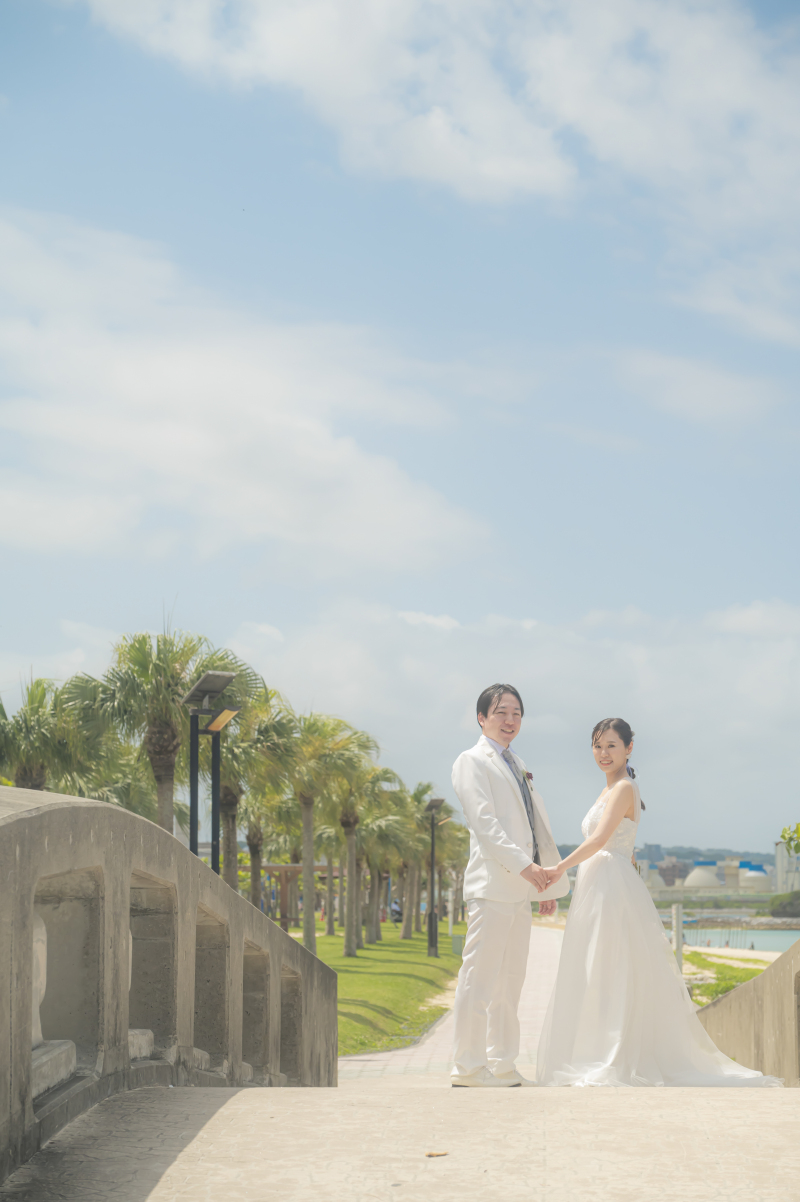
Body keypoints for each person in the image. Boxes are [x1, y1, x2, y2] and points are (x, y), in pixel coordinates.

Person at [536, 718, 781, 1087]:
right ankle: (600, 1051)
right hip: (601, 883)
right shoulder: (610, 790)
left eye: (612, 746)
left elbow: (602, 839)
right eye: (598, 746)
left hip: (609, 887)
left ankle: (613, 1056)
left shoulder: (623, 789)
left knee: (611, 968)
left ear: (629, 748)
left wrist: (558, 869)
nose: (604, 753)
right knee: (598, 969)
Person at [450, 683, 570, 1088]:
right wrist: (526, 869)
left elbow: (535, 830)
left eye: (516, 713)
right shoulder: (472, 761)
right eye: (501, 712)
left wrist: (544, 886)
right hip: (492, 888)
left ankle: (502, 1064)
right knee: (478, 980)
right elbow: (486, 826)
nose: (510, 720)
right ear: (482, 718)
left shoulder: (516, 762)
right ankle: (467, 1067)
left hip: (520, 890)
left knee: (509, 984)